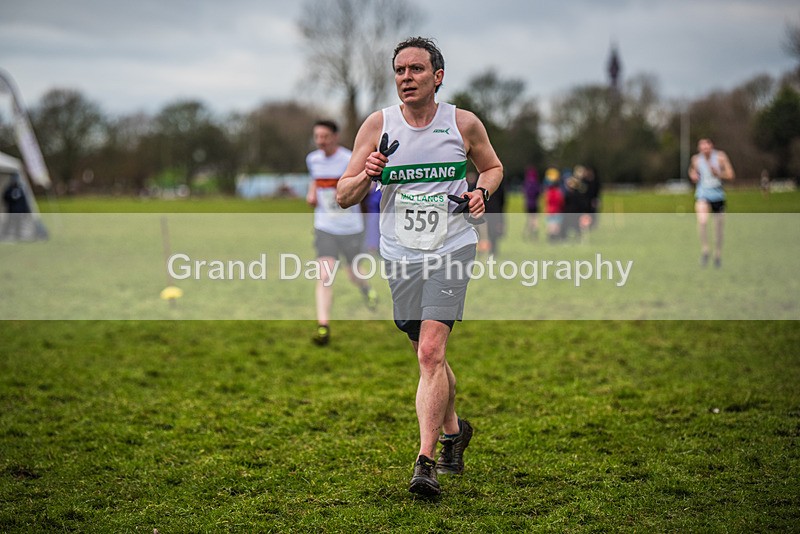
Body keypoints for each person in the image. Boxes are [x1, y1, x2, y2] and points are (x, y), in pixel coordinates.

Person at [336, 36, 503, 497]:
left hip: (452, 246)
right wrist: (367, 173)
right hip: (400, 251)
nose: (406, 78)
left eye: (416, 69)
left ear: (438, 76)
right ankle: (454, 431)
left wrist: (480, 192)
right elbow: (343, 195)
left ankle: (425, 461)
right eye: (400, 71)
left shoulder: (462, 124)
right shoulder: (378, 125)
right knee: (425, 352)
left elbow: (492, 168)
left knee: (431, 351)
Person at [305, 120, 377, 346]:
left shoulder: (349, 159)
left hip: (350, 228)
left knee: (354, 274)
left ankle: (366, 289)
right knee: (325, 275)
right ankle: (323, 325)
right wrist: (312, 193)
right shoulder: (313, 160)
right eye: (317, 136)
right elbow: (315, 181)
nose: (320, 141)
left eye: (325, 136)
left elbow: (368, 187)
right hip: (325, 226)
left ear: (335, 137)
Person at [688, 138, 735, 268]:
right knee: (702, 222)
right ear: (699, 149)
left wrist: (719, 174)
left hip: (718, 196)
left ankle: (718, 255)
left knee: (718, 228)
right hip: (702, 194)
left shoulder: (720, 157)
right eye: (702, 148)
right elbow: (692, 171)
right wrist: (693, 176)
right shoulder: (696, 159)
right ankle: (705, 250)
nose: (705, 150)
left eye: (707, 147)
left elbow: (731, 175)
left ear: (711, 146)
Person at [2, 174, 31, 240]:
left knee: (19, 225)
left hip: (20, 212)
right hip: (12, 211)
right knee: (9, 224)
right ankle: (5, 236)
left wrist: (25, 211)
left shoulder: (21, 189)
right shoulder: (9, 189)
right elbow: (5, 198)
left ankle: (18, 237)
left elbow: (24, 201)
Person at [522, 166, 541, 241]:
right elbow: (539, 193)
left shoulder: (527, 183)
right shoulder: (536, 184)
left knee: (529, 220)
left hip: (528, 204)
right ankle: (534, 236)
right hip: (535, 204)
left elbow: (524, 194)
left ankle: (527, 233)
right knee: (535, 220)